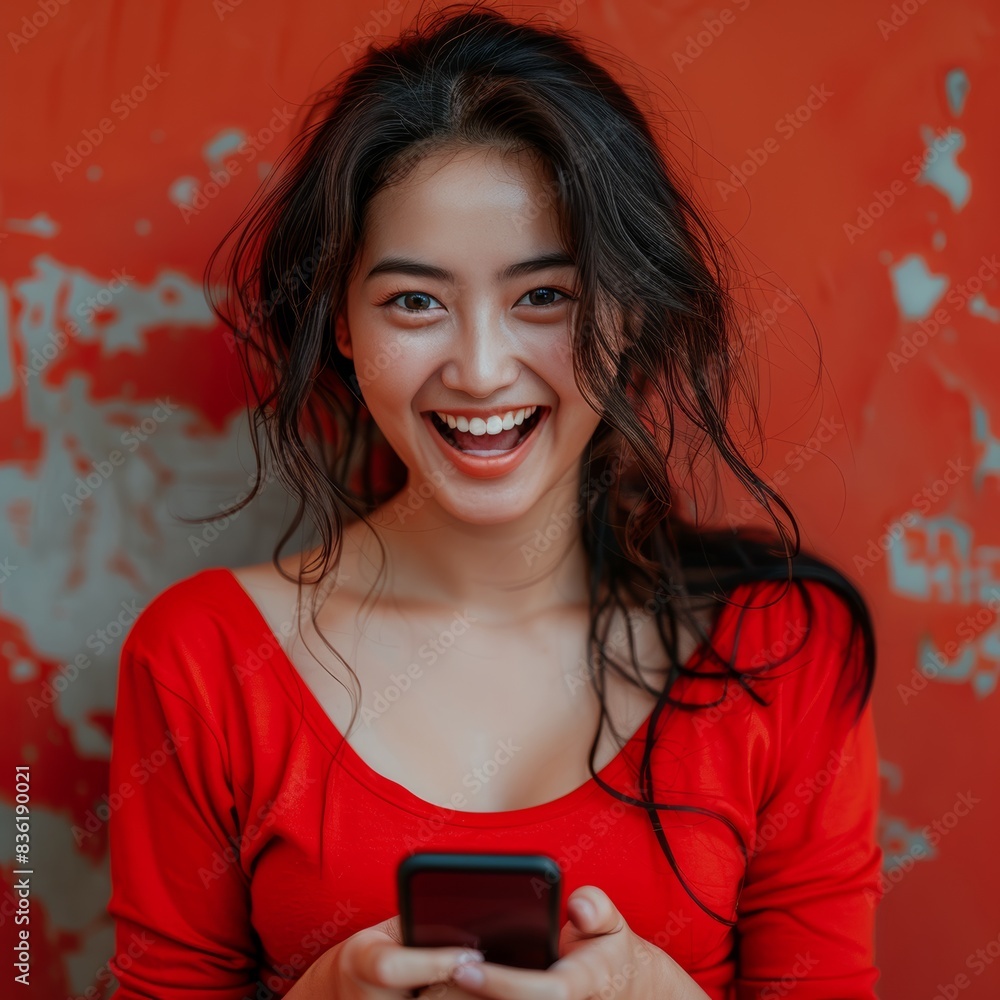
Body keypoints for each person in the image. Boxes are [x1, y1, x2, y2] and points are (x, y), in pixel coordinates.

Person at [106, 4, 882, 998]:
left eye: (543, 296)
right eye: (414, 301)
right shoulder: (202, 661)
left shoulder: (785, 653)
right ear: (340, 321)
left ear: (632, 308)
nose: (478, 368)